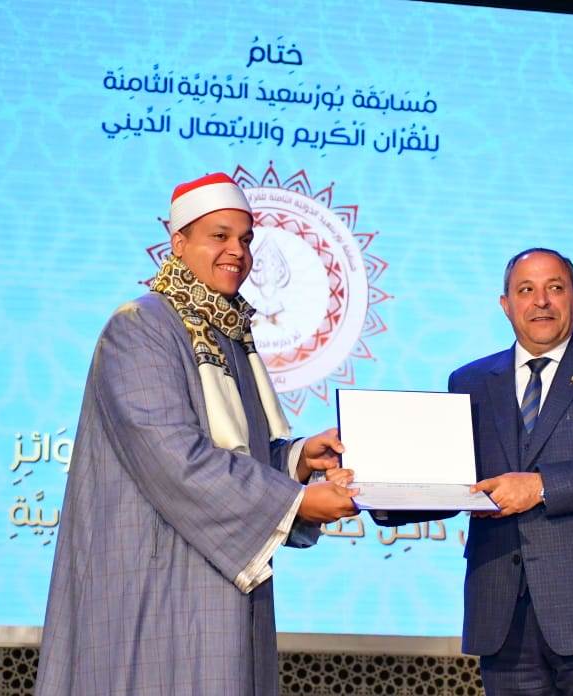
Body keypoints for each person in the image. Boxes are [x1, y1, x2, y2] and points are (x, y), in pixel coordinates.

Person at [36, 172, 359, 696]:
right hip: (157, 578)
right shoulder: (140, 327)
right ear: (179, 242)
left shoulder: (227, 332)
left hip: (219, 573)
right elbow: (174, 457)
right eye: (219, 236)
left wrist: (299, 460)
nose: (237, 252)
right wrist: (296, 502)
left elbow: (238, 452)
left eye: (245, 239)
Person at [381, 248, 573, 695]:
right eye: (526, 290)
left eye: (555, 288)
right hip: (504, 617)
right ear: (506, 304)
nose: (541, 301)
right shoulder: (469, 381)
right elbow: (455, 481)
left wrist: (541, 486)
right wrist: (371, 492)